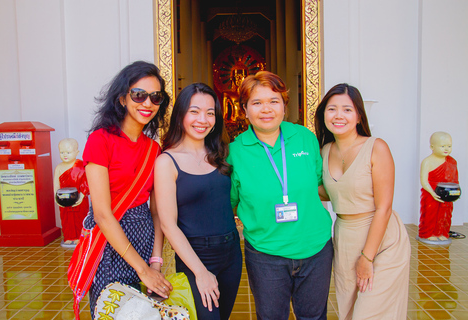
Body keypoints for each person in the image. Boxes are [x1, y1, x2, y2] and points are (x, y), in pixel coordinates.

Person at [228, 71, 333, 320]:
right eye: (256, 103)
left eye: (274, 101)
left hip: (315, 249)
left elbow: (322, 187)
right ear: (244, 110)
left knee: (314, 317)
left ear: (284, 105)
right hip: (266, 255)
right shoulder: (235, 151)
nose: (266, 109)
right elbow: (231, 203)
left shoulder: (305, 138)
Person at [82, 61, 173, 318]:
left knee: (143, 313)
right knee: (111, 311)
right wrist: (143, 270)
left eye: (156, 97)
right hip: (108, 245)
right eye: (139, 95)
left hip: (144, 241)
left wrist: (154, 260)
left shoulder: (153, 150)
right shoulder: (100, 140)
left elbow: (156, 212)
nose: (147, 103)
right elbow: (101, 213)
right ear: (122, 98)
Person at [315, 83, 410, 319]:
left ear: (358, 116)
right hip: (346, 237)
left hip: (382, 240)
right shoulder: (325, 150)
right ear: (323, 114)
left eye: (347, 110)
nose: (339, 115)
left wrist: (367, 257)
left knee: (369, 314)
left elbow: (384, 207)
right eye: (332, 109)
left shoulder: (376, 147)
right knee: (349, 311)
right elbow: (332, 191)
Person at [155, 83, 242, 320]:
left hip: (232, 252)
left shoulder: (221, 154)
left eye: (210, 112)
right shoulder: (166, 161)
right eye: (194, 111)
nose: (202, 119)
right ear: (181, 114)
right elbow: (168, 225)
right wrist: (201, 272)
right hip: (196, 256)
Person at [419, 131, 459, 241]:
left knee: (445, 214)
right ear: (432, 146)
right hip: (431, 192)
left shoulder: (452, 162)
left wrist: (455, 193)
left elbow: (455, 180)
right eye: (442, 146)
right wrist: (432, 193)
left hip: (447, 193)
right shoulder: (427, 161)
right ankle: (428, 233)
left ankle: (442, 232)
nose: (446, 149)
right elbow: (424, 181)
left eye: (449, 146)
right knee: (430, 214)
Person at [53, 138, 89, 247]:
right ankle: (69, 237)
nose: (65, 155)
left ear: (77, 152)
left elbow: (87, 182)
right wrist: (56, 198)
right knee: (66, 219)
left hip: (78, 197)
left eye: (68, 152)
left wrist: (82, 196)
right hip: (63, 198)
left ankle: (80, 237)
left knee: (79, 217)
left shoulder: (81, 165)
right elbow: (56, 184)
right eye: (62, 152)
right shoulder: (59, 167)